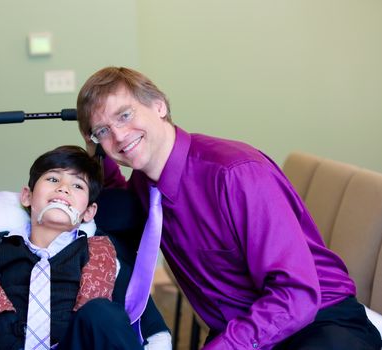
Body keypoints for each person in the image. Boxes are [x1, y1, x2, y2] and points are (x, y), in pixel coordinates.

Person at [76, 67, 382, 349]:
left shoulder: (235, 173)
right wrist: (95, 158)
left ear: (159, 105)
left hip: (316, 324)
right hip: (245, 330)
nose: (117, 135)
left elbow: (296, 294)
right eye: (101, 130)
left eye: (125, 115)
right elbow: (115, 208)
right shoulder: (146, 185)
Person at [0, 145, 171, 350]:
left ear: (89, 212)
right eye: (53, 179)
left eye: (77, 186)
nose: (63, 189)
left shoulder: (100, 257)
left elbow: (148, 322)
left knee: (102, 313)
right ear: (27, 196)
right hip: (8, 343)